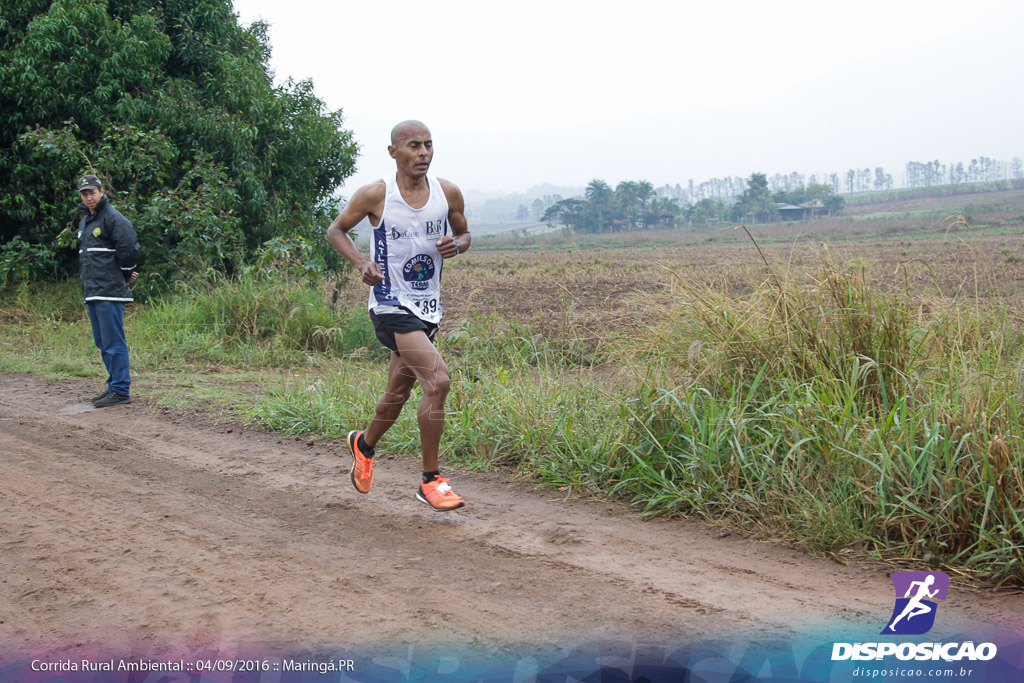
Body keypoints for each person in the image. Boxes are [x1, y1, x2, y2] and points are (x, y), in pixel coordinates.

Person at [326, 120, 470, 512]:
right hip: (389, 304)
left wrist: (455, 244)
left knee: (398, 393)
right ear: (394, 152)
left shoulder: (447, 192)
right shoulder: (377, 194)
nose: (423, 153)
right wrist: (361, 263)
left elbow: (465, 234)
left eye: (428, 145)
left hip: (427, 307)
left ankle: (364, 444)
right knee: (438, 382)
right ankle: (431, 481)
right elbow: (336, 230)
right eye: (413, 146)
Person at [75, 174, 140, 408]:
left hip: (109, 292)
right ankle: (113, 386)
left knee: (113, 342)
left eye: (92, 192)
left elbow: (129, 249)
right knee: (102, 342)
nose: (89, 197)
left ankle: (122, 389)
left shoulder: (114, 218)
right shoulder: (86, 221)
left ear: (101, 192)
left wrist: (124, 275)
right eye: (84, 194)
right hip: (93, 290)